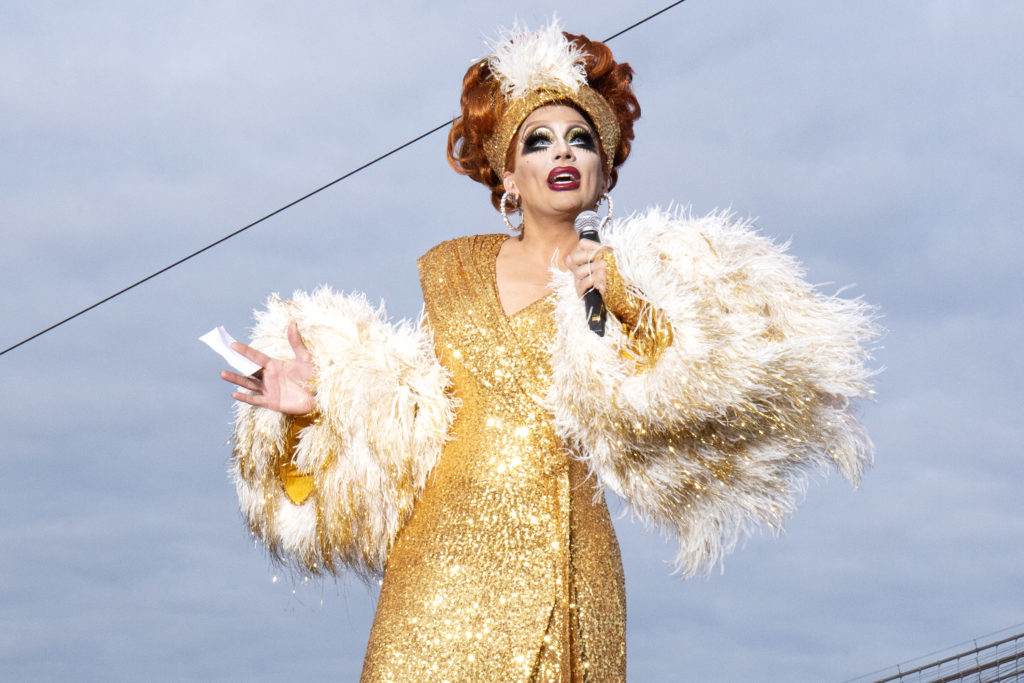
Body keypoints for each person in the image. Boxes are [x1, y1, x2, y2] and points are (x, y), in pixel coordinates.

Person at [218, 20, 877, 682]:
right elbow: (404, 432)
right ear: (509, 173)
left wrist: (630, 303)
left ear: (604, 169)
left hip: (567, 560)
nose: (562, 153)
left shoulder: (646, 274)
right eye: (539, 141)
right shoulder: (453, 274)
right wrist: (314, 406)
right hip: (438, 568)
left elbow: (699, 388)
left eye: (581, 140)